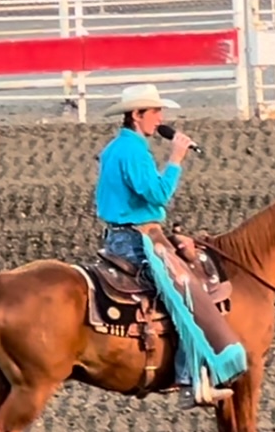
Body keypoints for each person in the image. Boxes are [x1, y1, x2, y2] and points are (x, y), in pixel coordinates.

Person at [95, 83, 246, 409]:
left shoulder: (113, 148)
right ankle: (190, 378)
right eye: (155, 112)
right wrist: (176, 159)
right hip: (136, 239)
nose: (160, 119)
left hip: (119, 234)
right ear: (136, 115)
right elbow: (158, 194)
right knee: (185, 289)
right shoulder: (134, 151)